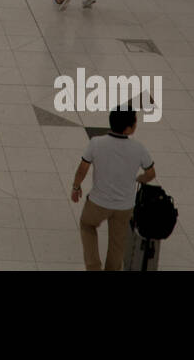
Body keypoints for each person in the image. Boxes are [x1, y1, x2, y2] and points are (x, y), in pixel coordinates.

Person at [71, 108, 157, 271]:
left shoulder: (96, 143)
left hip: (98, 202)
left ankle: (93, 266)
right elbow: (151, 173)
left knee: (87, 225)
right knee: (117, 243)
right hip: (124, 206)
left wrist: (76, 187)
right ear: (129, 128)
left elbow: (83, 168)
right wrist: (140, 179)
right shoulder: (138, 148)